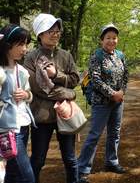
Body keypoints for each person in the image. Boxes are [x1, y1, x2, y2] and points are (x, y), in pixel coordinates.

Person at [23, 14, 80, 183]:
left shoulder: (66, 55)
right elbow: (38, 88)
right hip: (42, 117)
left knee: (70, 159)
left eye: (57, 31)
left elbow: (75, 79)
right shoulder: (31, 57)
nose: (56, 34)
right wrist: (70, 94)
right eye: (51, 31)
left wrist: (57, 75)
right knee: (38, 159)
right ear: (40, 34)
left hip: (65, 113)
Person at [78, 23, 129, 183]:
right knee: (94, 135)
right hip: (101, 102)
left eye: (114, 38)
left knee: (115, 133)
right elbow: (96, 79)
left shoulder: (120, 55)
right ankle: (82, 169)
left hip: (118, 102)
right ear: (102, 40)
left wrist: (121, 92)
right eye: (108, 38)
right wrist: (112, 93)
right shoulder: (97, 56)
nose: (111, 40)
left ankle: (112, 162)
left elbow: (126, 76)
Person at [0, 24, 35, 183]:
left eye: (26, 44)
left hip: (23, 126)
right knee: (27, 177)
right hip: (7, 131)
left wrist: (26, 94)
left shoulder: (22, 71)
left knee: (13, 174)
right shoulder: (1, 72)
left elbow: (30, 96)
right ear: (7, 45)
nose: (25, 48)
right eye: (20, 44)